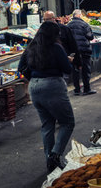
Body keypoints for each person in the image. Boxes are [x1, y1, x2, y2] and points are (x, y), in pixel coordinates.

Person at [18, 21, 75, 173]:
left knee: (47, 124)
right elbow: (67, 69)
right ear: (54, 34)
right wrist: (69, 61)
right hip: (52, 85)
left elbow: (20, 67)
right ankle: (55, 155)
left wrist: (34, 77)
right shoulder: (56, 47)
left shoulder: (31, 46)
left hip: (34, 87)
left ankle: (49, 158)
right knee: (67, 122)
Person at [67, 9, 96, 95]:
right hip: (84, 50)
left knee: (75, 70)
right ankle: (87, 89)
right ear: (79, 15)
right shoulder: (84, 24)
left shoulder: (68, 25)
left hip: (73, 51)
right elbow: (90, 37)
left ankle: (77, 90)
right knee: (86, 69)